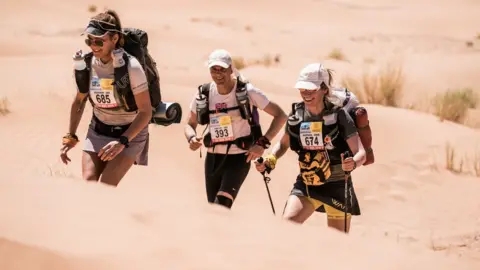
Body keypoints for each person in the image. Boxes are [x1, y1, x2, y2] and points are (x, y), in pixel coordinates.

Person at [255, 63, 367, 233]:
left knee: (336, 246)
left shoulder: (339, 116)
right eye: (302, 89)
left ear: (324, 89)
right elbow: (283, 144)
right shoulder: (297, 115)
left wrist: (353, 163)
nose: (305, 94)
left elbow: (361, 153)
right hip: (307, 184)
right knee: (286, 227)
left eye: (311, 89)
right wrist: (271, 159)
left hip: (338, 186)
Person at [184, 49, 288, 209]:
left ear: (231, 69)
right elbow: (189, 124)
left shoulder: (248, 92)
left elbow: (280, 115)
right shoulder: (204, 93)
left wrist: (262, 143)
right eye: (214, 69)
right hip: (212, 159)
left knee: (222, 206)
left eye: (222, 69)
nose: (218, 74)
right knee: (213, 210)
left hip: (239, 158)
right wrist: (191, 138)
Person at [60, 9, 152, 187]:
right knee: (89, 185)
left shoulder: (131, 67)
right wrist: (70, 136)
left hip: (130, 133)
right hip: (98, 131)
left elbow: (146, 112)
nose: (93, 45)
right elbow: (79, 101)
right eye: (89, 40)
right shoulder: (86, 64)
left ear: (114, 39)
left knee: (105, 186)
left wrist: (122, 142)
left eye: (99, 40)